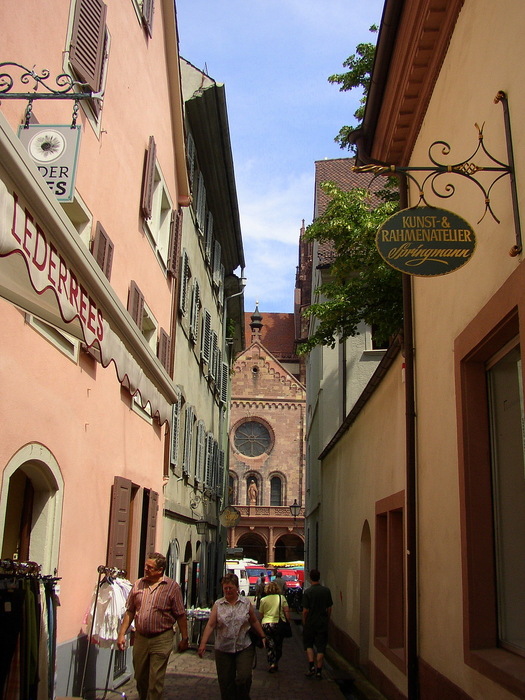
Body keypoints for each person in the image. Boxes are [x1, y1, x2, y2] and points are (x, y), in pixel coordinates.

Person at [117, 553, 189, 700]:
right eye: (146, 566)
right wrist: (121, 634)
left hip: (162, 638)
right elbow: (130, 611)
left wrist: (185, 637)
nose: (146, 569)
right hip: (141, 638)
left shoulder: (172, 588)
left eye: (150, 567)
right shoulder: (138, 585)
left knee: (156, 678)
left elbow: (180, 614)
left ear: (160, 570)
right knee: (140, 676)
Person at [198, 573, 266, 700]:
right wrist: (203, 644)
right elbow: (211, 625)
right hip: (223, 648)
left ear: (237, 588)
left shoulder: (245, 603)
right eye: (225, 588)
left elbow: (254, 621)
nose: (228, 591)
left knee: (243, 677)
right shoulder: (218, 605)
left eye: (230, 588)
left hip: (244, 645)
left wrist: (262, 636)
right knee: (225, 682)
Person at [302, 568, 333, 680]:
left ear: (310, 578)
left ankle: (311, 667)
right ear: (319, 577)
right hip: (322, 623)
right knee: (321, 647)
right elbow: (329, 608)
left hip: (310, 622)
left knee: (309, 645)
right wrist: (327, 619)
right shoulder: (326, 591)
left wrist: (304, 622)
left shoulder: (308, 592)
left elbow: (305, 611)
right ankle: (319, 670)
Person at [258, 581, 290, 673]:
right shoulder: (282, 598)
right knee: (279, 644)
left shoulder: (263, 600)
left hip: (267, 624)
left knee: (270, 645)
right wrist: (288, 621)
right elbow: (286, 611)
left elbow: (261, 614)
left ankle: (271, 663)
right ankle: (276, 661)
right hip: (279, 624)